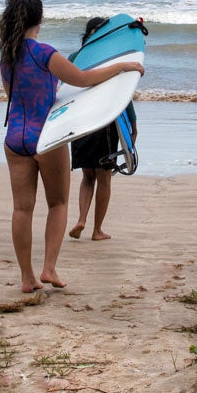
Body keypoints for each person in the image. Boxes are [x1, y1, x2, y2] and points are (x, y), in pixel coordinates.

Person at [0, 0, 143, 297]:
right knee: (58, 203)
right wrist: (122, 67)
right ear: (39, 19)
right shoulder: (45, 53)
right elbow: (82, 78)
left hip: (15, 138)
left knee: (21, 209)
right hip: (45, 138)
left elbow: (14, 94)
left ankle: (27, 277)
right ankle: (48, 268)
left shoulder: (7, 56)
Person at [67, 17, 136, 241]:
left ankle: (81, 219)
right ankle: (97, 231)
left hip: (80, 124)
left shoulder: (73, 59)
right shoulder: (111, 60)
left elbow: (65, 94)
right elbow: (123, 94)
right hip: (105, 123)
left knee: (88, 175)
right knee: (104, 177)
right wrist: (133, 125)